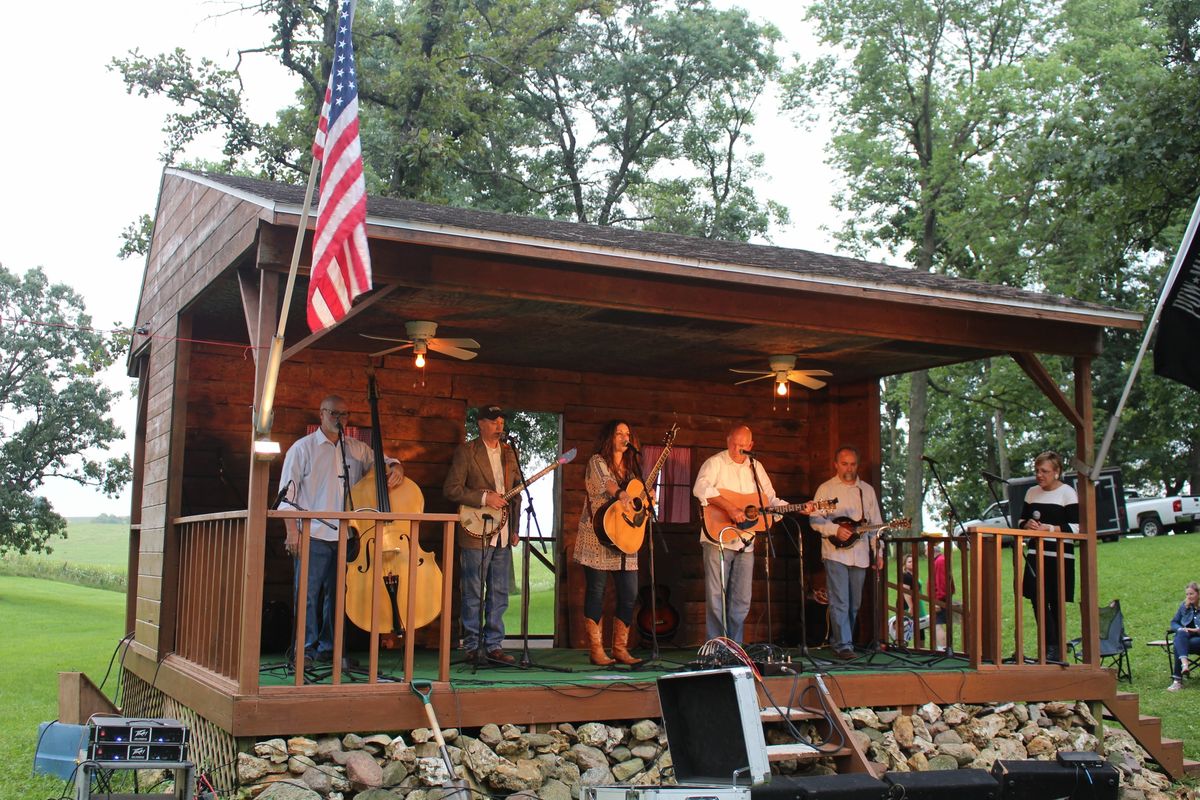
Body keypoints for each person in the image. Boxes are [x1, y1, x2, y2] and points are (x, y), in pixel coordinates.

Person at [279, 395, 404, 666]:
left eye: (345, 414)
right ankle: (305, 651)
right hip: (312, 534)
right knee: (309, 596)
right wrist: (292, 532)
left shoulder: (356, 448)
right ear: (321, 413)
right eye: (335, 413)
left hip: (346, 536)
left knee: (338, 597)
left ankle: (331, 649)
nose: (340, 419)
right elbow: (287, 497)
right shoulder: (302, 449)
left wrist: (396, 466)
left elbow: (385, 461)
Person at [693, 424, 796, 643]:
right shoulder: (715, 463)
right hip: (717, 540)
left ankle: (736, 648)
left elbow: (769, 499)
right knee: (715, 596)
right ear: (727, 440)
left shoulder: (756, 467)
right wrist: (730, 507)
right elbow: (700, 488)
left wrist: (797, 507)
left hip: (746, 542)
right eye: (733, 444)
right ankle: (717, 646)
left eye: (742, 445)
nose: (737, 449)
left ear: (751, 445)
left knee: (741, 600)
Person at [443, 404, 521, 664]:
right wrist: (484, 497)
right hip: (475, 529)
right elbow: (452, 489)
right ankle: (473, 646)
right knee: (473, 591)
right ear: (480, 424)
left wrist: (515, 528)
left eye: (501, 420)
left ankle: (494, 645)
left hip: (503, 531)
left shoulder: (510, 453)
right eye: (493, 421)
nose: (499, 425)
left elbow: (516, 493)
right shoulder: (467, 451)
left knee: (499, 592)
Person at [573, 420, 643, 666]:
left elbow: (636, 501)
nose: (625, 437)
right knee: (597, 592)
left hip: (625, 539)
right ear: (609, 437)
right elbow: (607, 483)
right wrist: (621, 494)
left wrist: (646, 499)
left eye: (628, 433)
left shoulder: (632, 470)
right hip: (599, 538)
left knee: (629, 594)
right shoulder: (597, 461)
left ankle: (620, 649)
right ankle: (596, 650)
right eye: (619, 433)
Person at [812, 446, 884, 659]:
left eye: (852, 464)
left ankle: (843, 641)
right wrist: (835, 530)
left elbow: (875, 526)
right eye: (844, 463)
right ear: (836, 464)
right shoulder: (826, 489)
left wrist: (878, 553)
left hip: (860, 554)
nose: (849, 468)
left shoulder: (866, 491)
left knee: (854, 603)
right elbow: (814, 519)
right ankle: (844, 645)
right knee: (840, 600)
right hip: (835, 553)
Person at [1018, 450, 1078, 662]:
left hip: (1060, 556)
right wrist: (1027, 525)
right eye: (1037, 471)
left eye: (1044, 471)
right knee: (1037, 598)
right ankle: (1052, 646)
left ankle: (1056, 648)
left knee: (1055, 600)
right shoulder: (1031, 493)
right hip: (1036, 554)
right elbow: (1021, 521)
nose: (1039, 475)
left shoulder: (1068, 493)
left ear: (1057, 472)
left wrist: (1049, 529)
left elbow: (1077, 527)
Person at [1167, 581, 1200, 691]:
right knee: (1180, 635)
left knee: (1178, 643)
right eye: (1187, 594)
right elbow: (1174, 622)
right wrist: (1180, 629)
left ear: (1198, 594)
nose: (1188, 597)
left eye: (1191, 594)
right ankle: (1185, 666)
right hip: (1186, 639)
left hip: (1198, 640)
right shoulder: (1184, 606)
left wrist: (1194, 630)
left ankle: (1177, 680)